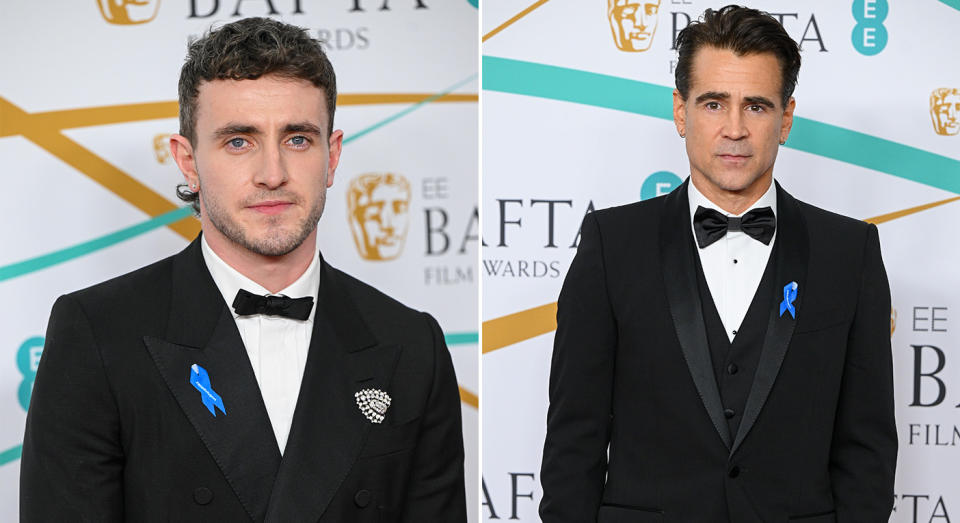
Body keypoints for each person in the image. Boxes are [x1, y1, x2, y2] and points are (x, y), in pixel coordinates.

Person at [21, 17, 467, 523]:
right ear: (188, 161)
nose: (272, 173)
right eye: (239, 141)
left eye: (297, 139)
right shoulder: (99, 333)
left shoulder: (411, 345)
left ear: (332, 155)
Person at [540, 5, 896, 522]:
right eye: (713, 104)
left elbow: (868, 449)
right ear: (681, 113)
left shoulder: (850, 252)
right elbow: (574, 442)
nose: (734, 129)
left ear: (786, 118)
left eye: (755, 106)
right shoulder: (612, 245)